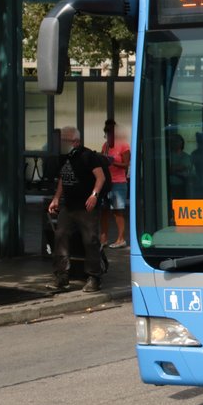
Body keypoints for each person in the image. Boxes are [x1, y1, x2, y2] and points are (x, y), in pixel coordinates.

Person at [47, 126, 107, 292]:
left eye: (66, 140)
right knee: (60, 236)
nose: (63, 143)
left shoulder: (88, 156)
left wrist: (94, 195)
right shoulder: (64, 157)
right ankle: (61, 276)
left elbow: (100, 177)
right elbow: (63, 178)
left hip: (86, 206)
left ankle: (94, 277)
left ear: (76, 141)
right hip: (69, 205)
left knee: (90, 240)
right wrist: (56, 198)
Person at [99, 119, 130, 248]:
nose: (108, 138)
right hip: (106, 182)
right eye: (106, 135)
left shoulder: (123, 145)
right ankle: (103, 238)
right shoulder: (105, 146)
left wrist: (112, 162)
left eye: (110, 135)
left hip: (118, 182)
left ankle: (121, 239)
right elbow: (101, 160)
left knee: (117, 211)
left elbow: (126, 165)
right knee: (104, 210)